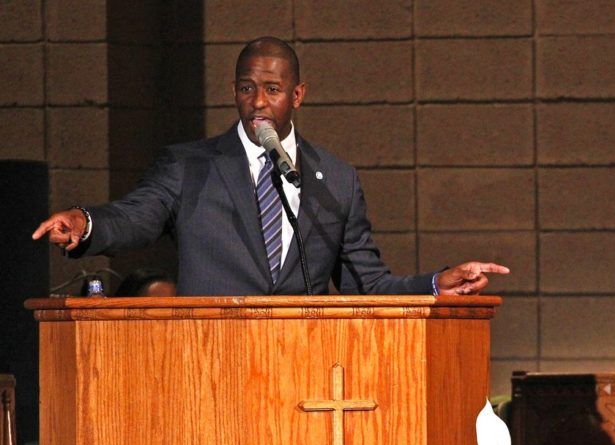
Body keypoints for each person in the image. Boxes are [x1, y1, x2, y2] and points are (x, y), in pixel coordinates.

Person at [33, 37, 508, 296]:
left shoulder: (335, 180)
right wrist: (86, 223)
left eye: (273, 90)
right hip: (211, 361)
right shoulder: (189, 166)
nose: (257, 102)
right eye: (246, 88)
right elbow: (136, 217)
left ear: (297, 95)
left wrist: (433, 284)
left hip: (304, 368)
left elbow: (369, 284)